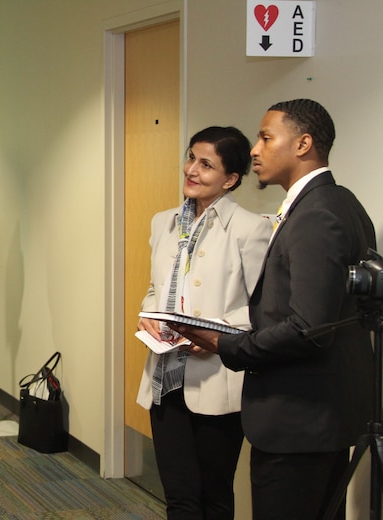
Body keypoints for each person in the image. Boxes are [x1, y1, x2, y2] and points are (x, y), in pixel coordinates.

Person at [172, 99, 376, 520]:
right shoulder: (339, 201)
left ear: (302, 144)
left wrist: (228, 344)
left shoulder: (317, 214)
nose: (254, 150)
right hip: (323, 415)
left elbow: (308, 327)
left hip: (299, 420)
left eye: (266, 138)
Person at [136, 126, 271, 519]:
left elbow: (262, 308)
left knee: (214, 495)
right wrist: (148, 314)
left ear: (230, 179)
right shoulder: (163, 222)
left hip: (215, 377)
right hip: (166, 374)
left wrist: (216, 333)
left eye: (206, 164)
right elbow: (154, 287)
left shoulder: (250, 228)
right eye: (191, 157)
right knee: (178, 496)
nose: (191, 169)